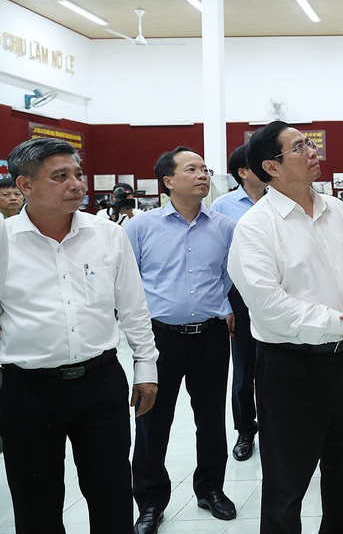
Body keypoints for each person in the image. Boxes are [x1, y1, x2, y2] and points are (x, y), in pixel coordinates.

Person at [0, 137, 159, 533]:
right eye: (60, 176)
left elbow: (134, 308)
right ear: (24, 185)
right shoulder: (4, 242)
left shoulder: (107, 235)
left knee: (112, 497)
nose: (77, 184)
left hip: (100, 384)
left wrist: (146, 368)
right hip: (27, 390)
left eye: (78, 173)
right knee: (36, 503)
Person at [227, 121, 343, 534]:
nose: (314, 152)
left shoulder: (338, 210)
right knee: (287, 483)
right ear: (271, 167)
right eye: (299, 147)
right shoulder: (256, 227)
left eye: (309, 143)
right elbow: (269, 306)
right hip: (291, 368)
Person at [125, 146, 237, 532]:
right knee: (153, 420)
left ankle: (210, 489)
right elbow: (127, 282)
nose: (203, 175)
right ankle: (151, 501)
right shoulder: (140, 227)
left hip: (209, 335)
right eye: (192, 169)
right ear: (168, 181)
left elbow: (227, 275)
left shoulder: (224, 226)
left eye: (205, 169)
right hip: (160, 339)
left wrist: (219, 306)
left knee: (210, 419)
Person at [210, 143, 268, 462]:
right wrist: (225, 305)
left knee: (277, 365)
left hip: (278, 293)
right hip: (239, 295)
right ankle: (246, 430)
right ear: (243, 172)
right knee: (244, 367)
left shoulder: (283, 199)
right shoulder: (223, 205)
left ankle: (277, 427)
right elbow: (216, 259)